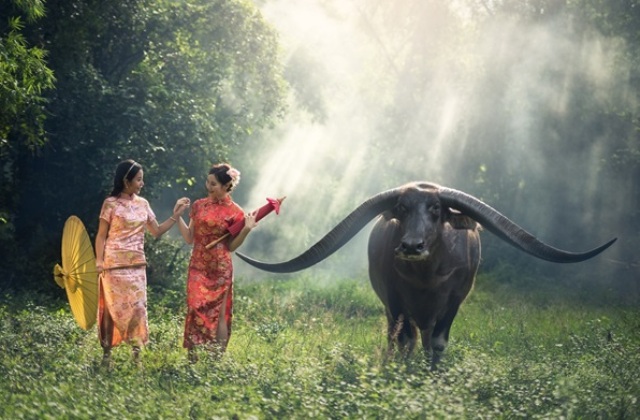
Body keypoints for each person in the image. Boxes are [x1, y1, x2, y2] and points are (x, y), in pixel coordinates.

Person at [95, 159, 190, 365]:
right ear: (126, 180)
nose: (142, 183)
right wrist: (99, 260)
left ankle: (136, 356)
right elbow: (102, 235)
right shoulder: (110, 203)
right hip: (113, 265)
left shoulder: (143, 204)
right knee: (112, 309)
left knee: (138, 309)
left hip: (136, 264)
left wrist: (175, 216)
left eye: (142, 180)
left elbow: (155, 231)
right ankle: (106, 355)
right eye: (138, 179)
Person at [175, 163, 256, 361]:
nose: (209, 187)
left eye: (214, 184)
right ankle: (192, 359)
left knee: (219, 313)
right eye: (208, 182)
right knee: (194, 308)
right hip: (198, 264)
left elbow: (231, 246)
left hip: (220, 267)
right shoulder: (199, 205)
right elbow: (189, 237)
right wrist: (177, 217)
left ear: (227, 185)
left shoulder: (236, 212)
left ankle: (216, 361)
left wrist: (246, 229)